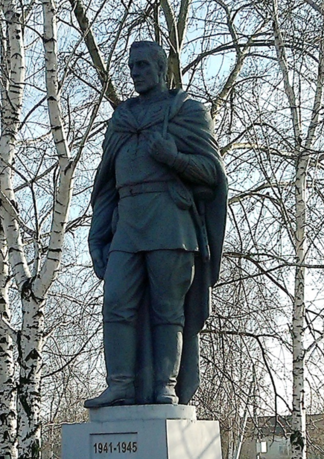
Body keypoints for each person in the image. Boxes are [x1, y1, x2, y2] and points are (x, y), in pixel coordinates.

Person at [85, 40, 228, 408]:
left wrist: (175, 158)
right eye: (132, 66)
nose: (135, 73)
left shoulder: (187, 112)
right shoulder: (122, 120)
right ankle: (120, 384)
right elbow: (105, 186)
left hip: (171, 223)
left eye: (143, 65)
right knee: (116, 301)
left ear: (162, 69)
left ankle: (165, 385)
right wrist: (98, 237)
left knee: (168, 309)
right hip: (128, 224)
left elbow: (212, 173)